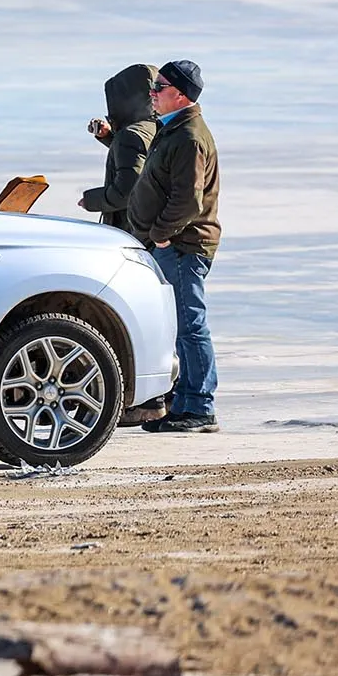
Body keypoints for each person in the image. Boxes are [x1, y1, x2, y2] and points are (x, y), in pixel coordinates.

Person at [127, 59, 221, 434]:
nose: (152, 93)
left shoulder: (189, 137)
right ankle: (182, 403)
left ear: (180, 95)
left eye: (160, 87)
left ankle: (199, 407)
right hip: (172, 243)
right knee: (177, 324)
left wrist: (162, 233)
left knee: (190, 324)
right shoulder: (173, 129)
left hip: (184, 244)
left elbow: (188, 199)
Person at [79, 65, 159, 230]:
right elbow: (142, 156)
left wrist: (91, 200)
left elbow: (128, 190)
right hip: (155, 226)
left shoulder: (128, 136)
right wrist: (109, 137)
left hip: (133, 230)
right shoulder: (161, 128)